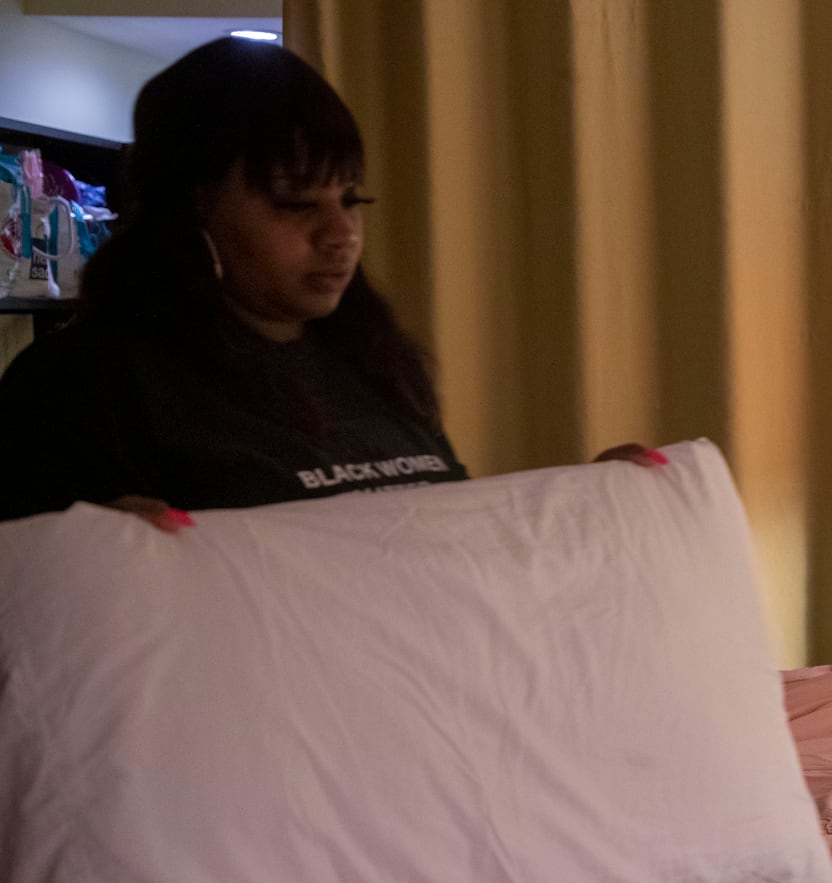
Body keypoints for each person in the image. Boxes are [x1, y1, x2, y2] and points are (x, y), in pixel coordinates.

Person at [0, 38, 659, 532]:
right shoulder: (79, 387)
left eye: (351, 200)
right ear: (193, 206)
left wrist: (589, 513)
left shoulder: (373, 363)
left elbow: (441, 555)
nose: (340, 235)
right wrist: (86, 566)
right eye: (294, 203)